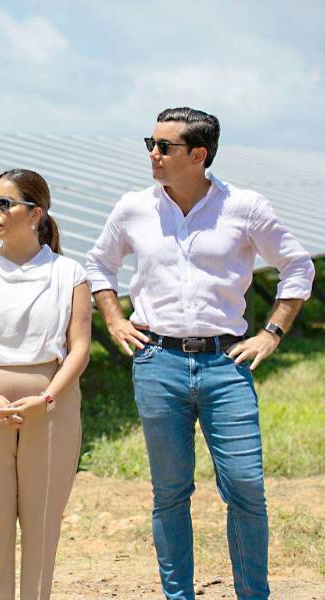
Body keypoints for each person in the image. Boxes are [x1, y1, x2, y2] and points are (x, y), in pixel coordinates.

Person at [86, 107, 315, 600]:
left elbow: (297, 268)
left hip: (226, 363)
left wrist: (272, 332)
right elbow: (99, 264)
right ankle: (178, 596)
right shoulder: (133, 208)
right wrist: (113, 318)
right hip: (157, 363)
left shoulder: (245, 207)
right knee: (169, 494)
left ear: (198, 154)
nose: (153, 154)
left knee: (246, 486)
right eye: (150, 142)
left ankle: (253, 594)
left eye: (163, 147)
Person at [0, 169, 91, 600]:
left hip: (51, 397)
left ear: (36, 213)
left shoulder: (69, 273)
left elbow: (79, 346)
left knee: (43, 519)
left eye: (5, 204)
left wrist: (46, 398)